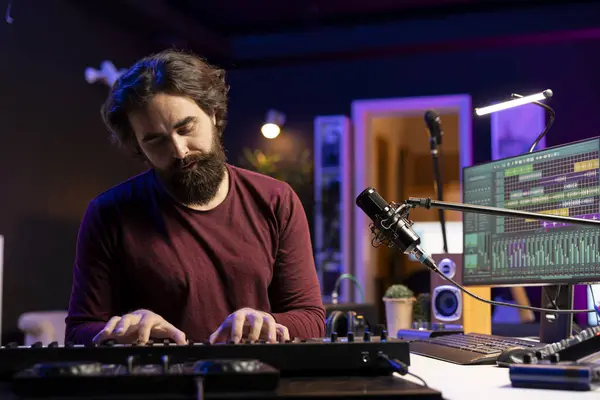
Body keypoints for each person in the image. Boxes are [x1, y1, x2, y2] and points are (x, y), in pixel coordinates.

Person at [65, 49, 325, 346]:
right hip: (157, 387)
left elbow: (311, 318)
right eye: (155, 141)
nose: (178, 150)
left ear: (213, 114)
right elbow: (78, 331)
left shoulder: (276, 200)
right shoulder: (108, 213)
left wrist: (270, 323)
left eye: (186, 128)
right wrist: (125, 328)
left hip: (255, 382)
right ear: (138, 146)